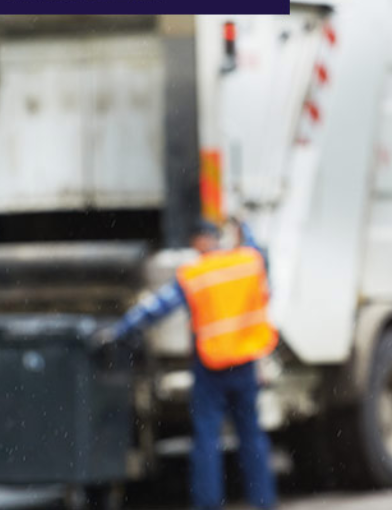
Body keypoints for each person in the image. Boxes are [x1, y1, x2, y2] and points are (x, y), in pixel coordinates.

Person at [105, 218, 278, 510]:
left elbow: (156, 308)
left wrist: (119, 331)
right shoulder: (247, 262)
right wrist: (242, 224)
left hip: (211, 369)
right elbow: (259, 253)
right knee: (251, 437)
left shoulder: (196, 275)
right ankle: (263, 502)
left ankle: (209, 504)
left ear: (198, 241)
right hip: (245, 364)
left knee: (207, 440)